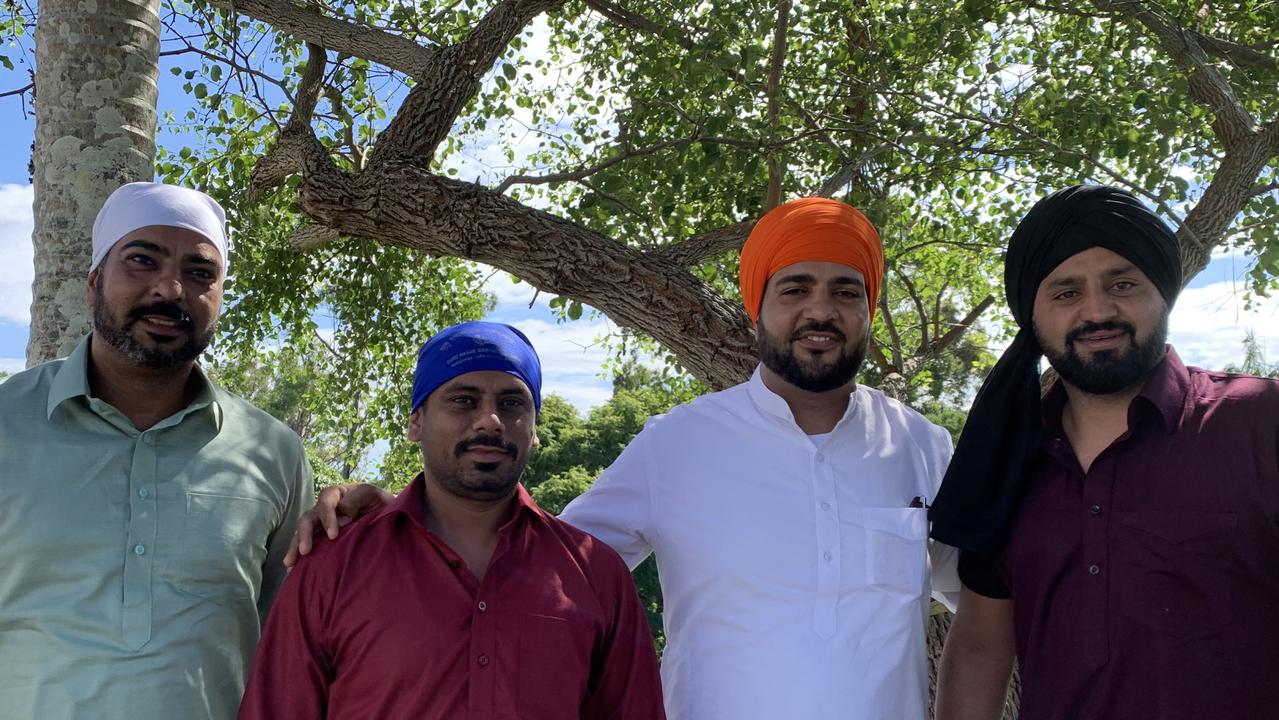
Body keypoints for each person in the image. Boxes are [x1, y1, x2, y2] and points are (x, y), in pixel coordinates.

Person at [291, 198, 959, 720]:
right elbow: (542, 562)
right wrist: (401, 515)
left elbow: (989, 604)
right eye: (795, 288)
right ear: (759, 305)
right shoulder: (680, 443)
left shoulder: (922, 448)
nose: (821, 309)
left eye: (845, 290)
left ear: (869, 306)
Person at [930, 185, 1279, 720]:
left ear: (1163, 293)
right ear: (1032, 314)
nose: (1098, 310)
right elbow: (981, 646)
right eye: (1066, 293)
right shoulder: (1005, 461)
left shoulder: (1260, 422)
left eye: (1122, 283)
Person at [239, 321, 665, 720]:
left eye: (512, 403)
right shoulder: (333, 568)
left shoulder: (597, 576)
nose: (490, 420)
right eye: (463, 400)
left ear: (534, 429)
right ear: (416, 422)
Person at [0, 182, 313, 719]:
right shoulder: (7, 422)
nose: (170, 289)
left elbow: (294, 637)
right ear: (94, 282)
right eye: (142, 260)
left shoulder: (274, 454)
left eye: (200, 273)